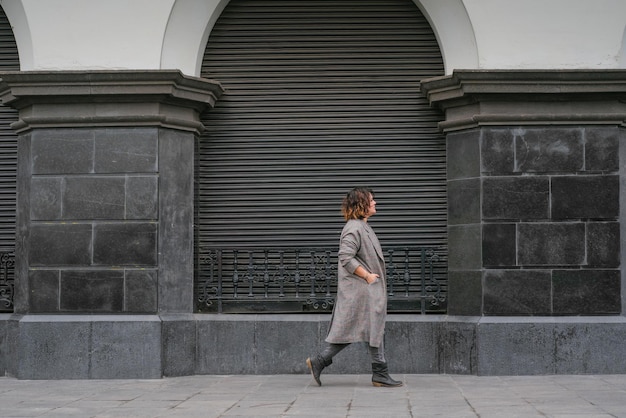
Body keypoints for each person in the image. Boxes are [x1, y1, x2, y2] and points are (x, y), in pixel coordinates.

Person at [306, 187, 402, 387]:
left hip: (365, 290)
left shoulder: (361, 226)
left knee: (365, 329)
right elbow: (345, 257)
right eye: (372, 200)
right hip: (361, 290)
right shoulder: (354, 228)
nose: (375, 203)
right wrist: (367, 276)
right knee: (368, 329)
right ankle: (379, 374)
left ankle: (321, 361)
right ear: (362, 205)